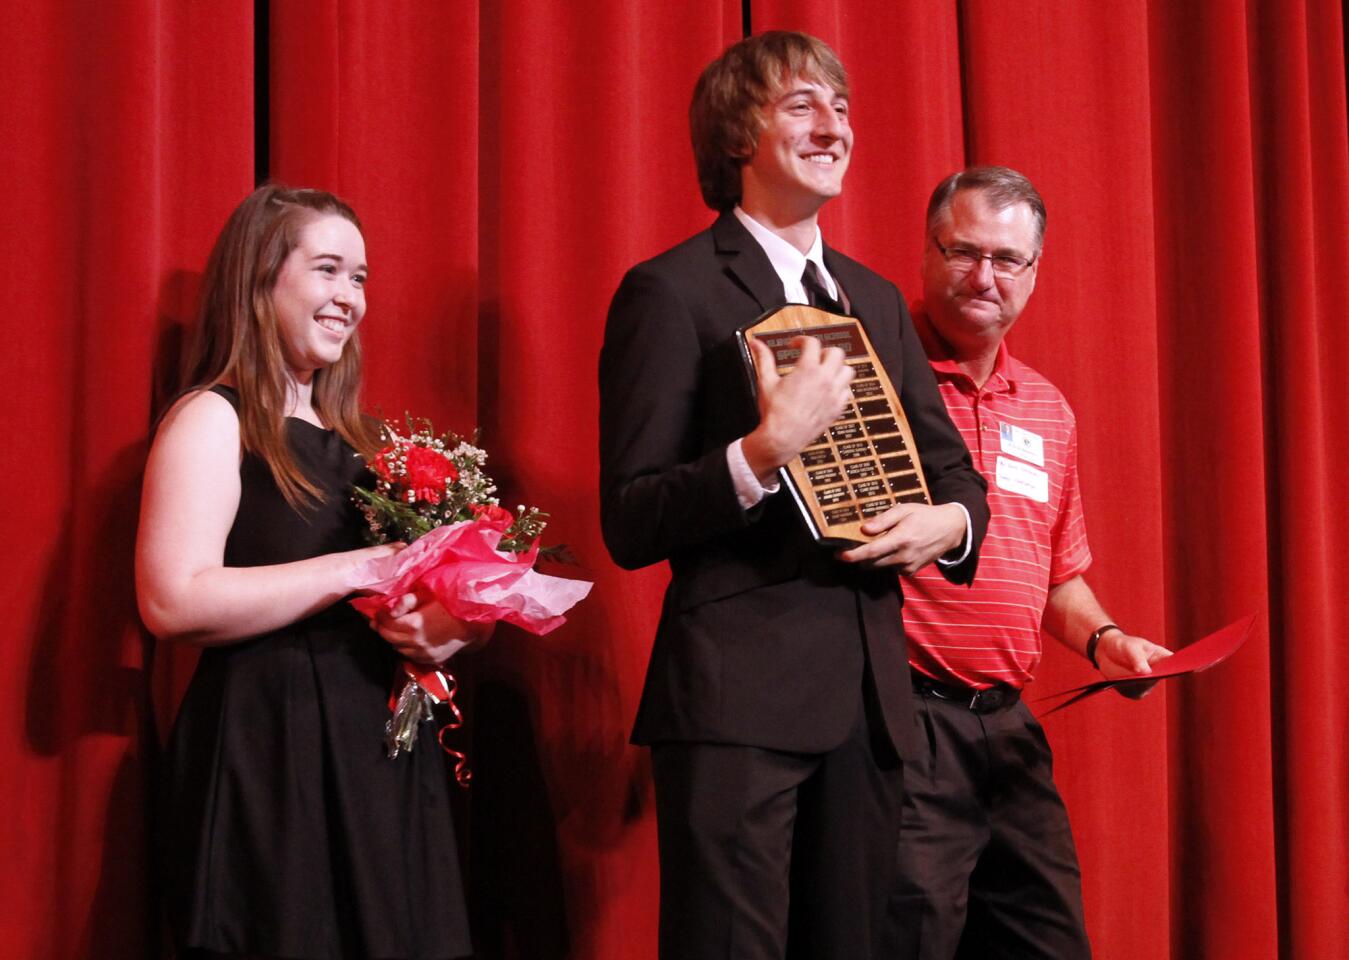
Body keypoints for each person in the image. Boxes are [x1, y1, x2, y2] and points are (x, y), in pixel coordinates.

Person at [598, 32, 990, 960]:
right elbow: (630, 517)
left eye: (842, 107)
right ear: (739, 134)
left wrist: (947, 522)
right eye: (802, 106)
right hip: (736, 702)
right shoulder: (670, 291)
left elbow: (957, 475)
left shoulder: (875, 299)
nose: (834, 126)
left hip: (870, 709)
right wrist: (763, 450)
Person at [136, 184, 484, 959]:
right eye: (329, 270)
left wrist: (444, 632)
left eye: (359, 278)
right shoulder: (213, 418)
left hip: (378, 758)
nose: (349, 298)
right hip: (273, 750)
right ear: (262, 279)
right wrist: (356, 567)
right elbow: (171, 598)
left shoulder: (369, 442)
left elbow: (424, 601)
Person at [884, 166, 1173, 959]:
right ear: (925, 253)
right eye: (964, 251)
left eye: (1007, 259)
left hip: (1008, 732)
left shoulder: (1046, 407)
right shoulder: (876, 384)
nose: (984, 277)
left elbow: (1057, 575)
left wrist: (1105, 639)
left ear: (1035, 272)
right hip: (903, 726)